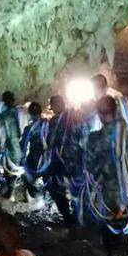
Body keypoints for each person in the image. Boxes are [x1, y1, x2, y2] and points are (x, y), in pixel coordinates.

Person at [84, 95, 128, 255]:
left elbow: (90, 169)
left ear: (99, 115)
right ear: (116, 112)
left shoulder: (94, 139)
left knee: (106, 228)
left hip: (107, 200)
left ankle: (112, 253)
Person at [45, 95, 74, 226]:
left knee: (55, 188)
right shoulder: (74, 117)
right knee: (75, 191)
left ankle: (68, 218)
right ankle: (75, 219)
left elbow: (50, 140)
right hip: (74, 160)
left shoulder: (55, 121)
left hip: (60, 160)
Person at [0, 91, 24, 199]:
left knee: (8, 168)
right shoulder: (18, 112)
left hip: (9, 144)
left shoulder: (3, 115)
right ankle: (11, 190)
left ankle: (10, 191)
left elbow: (2, 133)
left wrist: (2, 146)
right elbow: (21, 130)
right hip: (17, 144)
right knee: (16, 168)